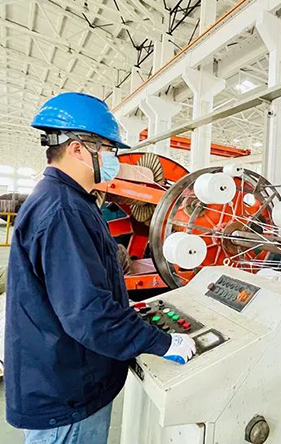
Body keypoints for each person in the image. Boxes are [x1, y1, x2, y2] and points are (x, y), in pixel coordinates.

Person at [4, 92, 197, 444]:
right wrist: (163, 342)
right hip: (67, 395)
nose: (113, 160)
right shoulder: (63, 211)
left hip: (66, 378)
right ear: (78, 149)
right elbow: (89, 314)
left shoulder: (69, 201)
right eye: (109, 149)